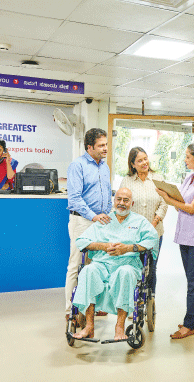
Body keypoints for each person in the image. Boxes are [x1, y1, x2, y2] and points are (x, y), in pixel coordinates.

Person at [72, 188, 159, 341]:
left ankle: (119, 327)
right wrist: (102, 246)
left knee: (124, 273)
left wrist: (128, 248)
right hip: (102, 264)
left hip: (128, 264)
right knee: (88, 271)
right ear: (114, 201)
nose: (122, 203)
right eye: (119, 199)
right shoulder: (104, 221)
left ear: (132, 203)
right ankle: (89, 326)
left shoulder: (139, 222)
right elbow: (81, 241)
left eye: (126, 200)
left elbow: (152, 240)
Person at [156, 142, 194, 339]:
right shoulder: (189, 178)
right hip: (185, 235)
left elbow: (191, 208)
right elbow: (181, 204)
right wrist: (172, 199)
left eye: (188, 157)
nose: (185, 160)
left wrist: (167, 198)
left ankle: (189, 324)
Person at [65, 128, 112, 320]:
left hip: (100, 221)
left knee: (96, 265)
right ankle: (70, 311)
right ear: (89, 147)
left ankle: (92, 307)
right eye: (101, 145)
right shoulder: (77, 165)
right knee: (76, 265)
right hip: (83, 221)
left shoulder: (105, 167)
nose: (105, 148)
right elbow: (75, 198)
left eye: (106, 144)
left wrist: (107, 213)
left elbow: (108, 194)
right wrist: (94, 216)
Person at [119, 147, 167, 295]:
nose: (144, 162)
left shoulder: (157, 179)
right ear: (132, 164)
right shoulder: (127, 181)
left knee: (151, 267)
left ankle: (150, 301)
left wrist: (154, 222)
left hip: (154, 232)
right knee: (132, 266)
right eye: (139, 161)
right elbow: (121, 204)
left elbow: (164, 203)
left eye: (145, 159)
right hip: (132, 233)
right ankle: (132, 303)